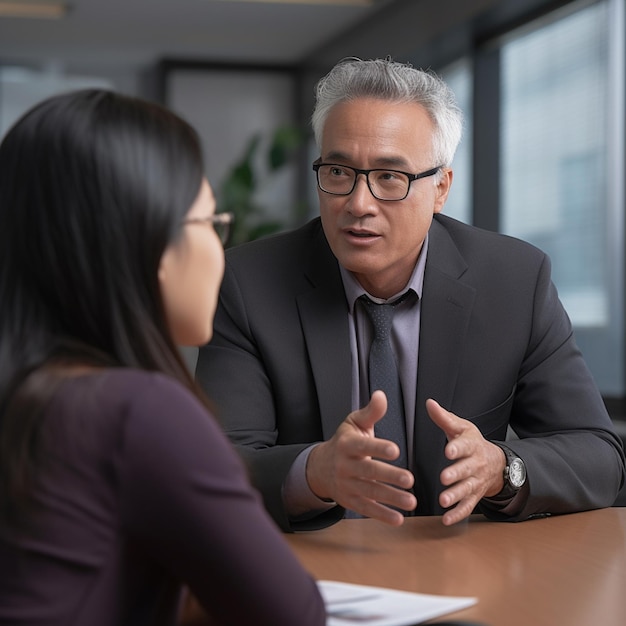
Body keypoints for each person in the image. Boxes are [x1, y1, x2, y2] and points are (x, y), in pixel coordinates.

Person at [195, 56, 626, 533]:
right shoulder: (249, 283)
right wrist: (313, 473)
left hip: (461, 567)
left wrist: (500, 468)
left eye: (389, 177)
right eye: (338, 171)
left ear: (440, 188)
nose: (358, 204)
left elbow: (600, 455)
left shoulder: (515, 281)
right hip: (319, 568)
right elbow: (215, 470)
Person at [0, 89, 325, 626]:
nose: (220, 251)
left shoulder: (31, 396)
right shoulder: (137, 411)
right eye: (209, 224)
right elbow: (294, 615)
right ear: (147, 246)